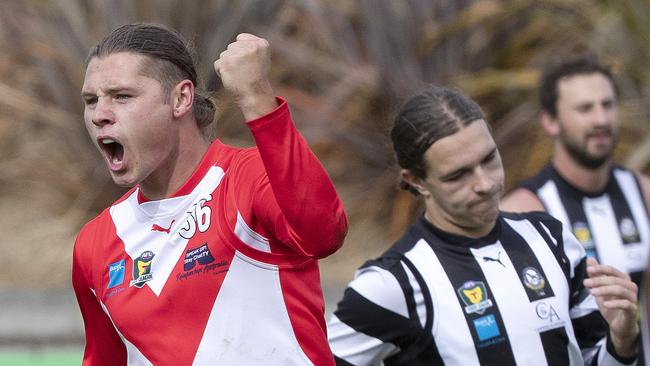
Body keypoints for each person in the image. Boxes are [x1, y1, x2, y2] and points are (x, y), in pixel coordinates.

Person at [72, 23, 348, 366]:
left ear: (180, 99)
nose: (99, 114)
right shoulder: (94, 243)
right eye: (91, 100)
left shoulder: (248, 177)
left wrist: (256, 97)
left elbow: (324, 234)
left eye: (122, 96)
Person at [327, 85, 640, 365]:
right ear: (417, 181)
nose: (485, 183)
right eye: (458, 175)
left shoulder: (550, 238)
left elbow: (592, 358)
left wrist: (622, 340)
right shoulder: (393, 283)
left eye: (489, 159)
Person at [500, 56, 650, 363]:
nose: (601, 119)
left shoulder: (643, 192)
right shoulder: (522, 210)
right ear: (550, 121)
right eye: (584, 109)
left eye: (607, 105)